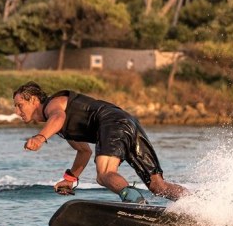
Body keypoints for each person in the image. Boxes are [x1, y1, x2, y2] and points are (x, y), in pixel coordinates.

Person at [12, 81, 187, 203]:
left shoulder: (53, 105)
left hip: (111, 122)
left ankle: (137, 204)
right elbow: (83, 151)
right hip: (128, 122)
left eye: (19, 105)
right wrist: (70, 179)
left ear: (34, 100)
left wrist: (40, 137)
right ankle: (198, 203)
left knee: (104, 174)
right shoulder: (60, 126)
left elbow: (58, 116)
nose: (17, 111)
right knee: (158, 186)